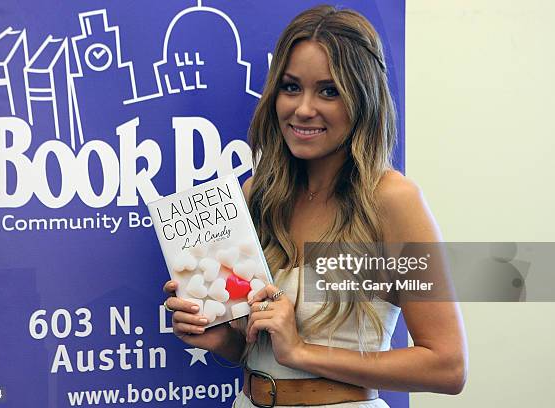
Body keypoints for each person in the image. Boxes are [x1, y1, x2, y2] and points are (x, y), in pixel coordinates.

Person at [163, 5, 467, 407]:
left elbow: (446, 366)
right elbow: (263, 351)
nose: (303, 108)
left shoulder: (392, 199)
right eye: (291, 87)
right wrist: (221, 338)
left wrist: (302, 351)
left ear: (362, 99)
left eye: (329, 91)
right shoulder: (258, 193)